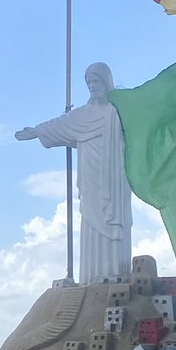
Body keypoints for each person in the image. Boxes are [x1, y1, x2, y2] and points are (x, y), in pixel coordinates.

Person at [15, 62, 132, 284]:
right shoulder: (82, 115)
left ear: (106, 81)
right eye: (88, 82)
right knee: (90, 219)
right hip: (90, 179)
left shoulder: (117, 112)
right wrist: (36, 131)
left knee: (114, 221)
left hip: (115, 179)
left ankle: (115, 273)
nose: (92, 86)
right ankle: (91, 278)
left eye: (96, 81)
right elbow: (59, 125)